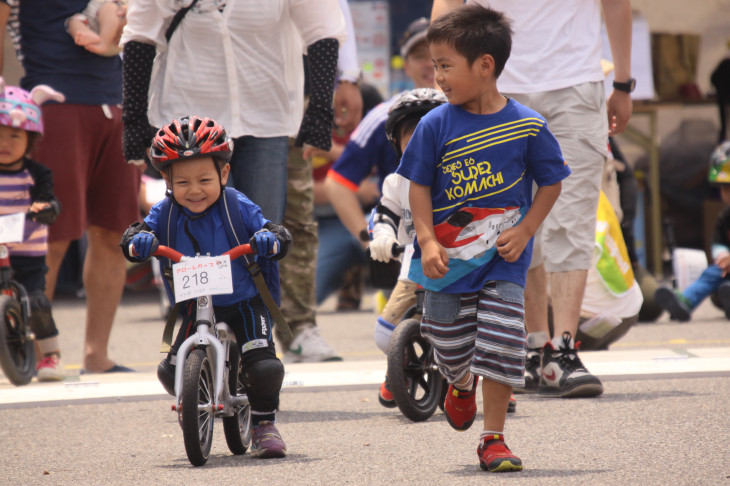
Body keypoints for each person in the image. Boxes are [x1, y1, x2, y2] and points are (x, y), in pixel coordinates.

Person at [396, 5, 569, 472]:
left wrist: (527, 228)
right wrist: (428, 241)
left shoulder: (528, 124)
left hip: (503, 261)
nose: (438, 77)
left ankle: (493, 439)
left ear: (485, 65)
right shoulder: (435, 124)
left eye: (445, 66)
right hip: (446, 260)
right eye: (435, 66)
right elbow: (418, 185)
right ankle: (458, 383)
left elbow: (551, 180)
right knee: (450, 342)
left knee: (501, 341)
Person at [433, 0, 633, 398]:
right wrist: (444, 77)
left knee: (571, 218)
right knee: (509, 219)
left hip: (574, 82)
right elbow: (447, 9)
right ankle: (530, 343)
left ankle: (563, 349)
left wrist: (623, 83)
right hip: (494, 85)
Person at [121, 115, 292, 458]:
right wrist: (137, 242)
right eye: (182, 181)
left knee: (264, 367)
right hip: (195, 302)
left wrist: (268, 240)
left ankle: (263, 424)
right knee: (170, 372)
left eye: (204, 179)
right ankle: (200, 390)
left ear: (223, 175)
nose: (194, 190)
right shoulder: (166, 212)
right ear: (166, 179)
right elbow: (135, 234)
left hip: (243, 300)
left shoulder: (235, 205)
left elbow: (276, 232)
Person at [0, 0, 142, 374]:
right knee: (50, 234)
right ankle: (29, 351)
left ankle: (97, 353)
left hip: (116, 101)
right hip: (52, 103)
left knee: (116, 234)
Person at [120, 0, 346, 226]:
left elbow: (323, 31)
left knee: (263, 237)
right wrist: (134, 119)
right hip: (190, 125)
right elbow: (141, 35)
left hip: (265, 119)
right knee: (203, 237)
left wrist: (321, 110)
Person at [276, 0, 362, 362]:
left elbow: (331, 7)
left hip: (297, 91)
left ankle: (299, 329)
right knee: (216, 211)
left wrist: (347, 76)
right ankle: (213, 327)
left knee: (296, 215)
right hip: (212, 94)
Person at [325, 16, 435, 253]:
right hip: (407, 250)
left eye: (437, 53)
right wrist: (372, 243)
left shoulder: (473, 110)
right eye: (419, 56)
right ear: (406, 65)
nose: (430, 63)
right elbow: (337, 183)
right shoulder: (384, 114)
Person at [0, 80, 66, 381]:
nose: (6, 143)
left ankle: (51, 357)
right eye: (0, 135)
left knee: (37, 301)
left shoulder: (36, 173)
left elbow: (48, 198)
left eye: (15, 135)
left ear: (30, 140)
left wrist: (46, 207)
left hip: (27, 254)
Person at [655, 141, 730, 322]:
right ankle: (685, 302)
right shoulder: (726, 216)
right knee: (711, 274)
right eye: (726, 188)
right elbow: (718, 240)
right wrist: (722, 255)